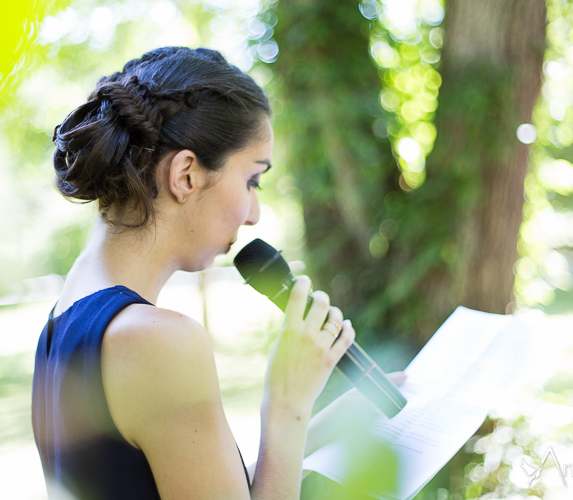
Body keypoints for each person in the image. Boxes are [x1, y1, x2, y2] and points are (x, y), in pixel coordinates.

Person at [32, 47, 385, 500]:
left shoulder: (65, 317)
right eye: (252, 181)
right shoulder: (158, 341)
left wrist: (329, 423)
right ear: (185, 175)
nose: (254, 213)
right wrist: (286, 404)